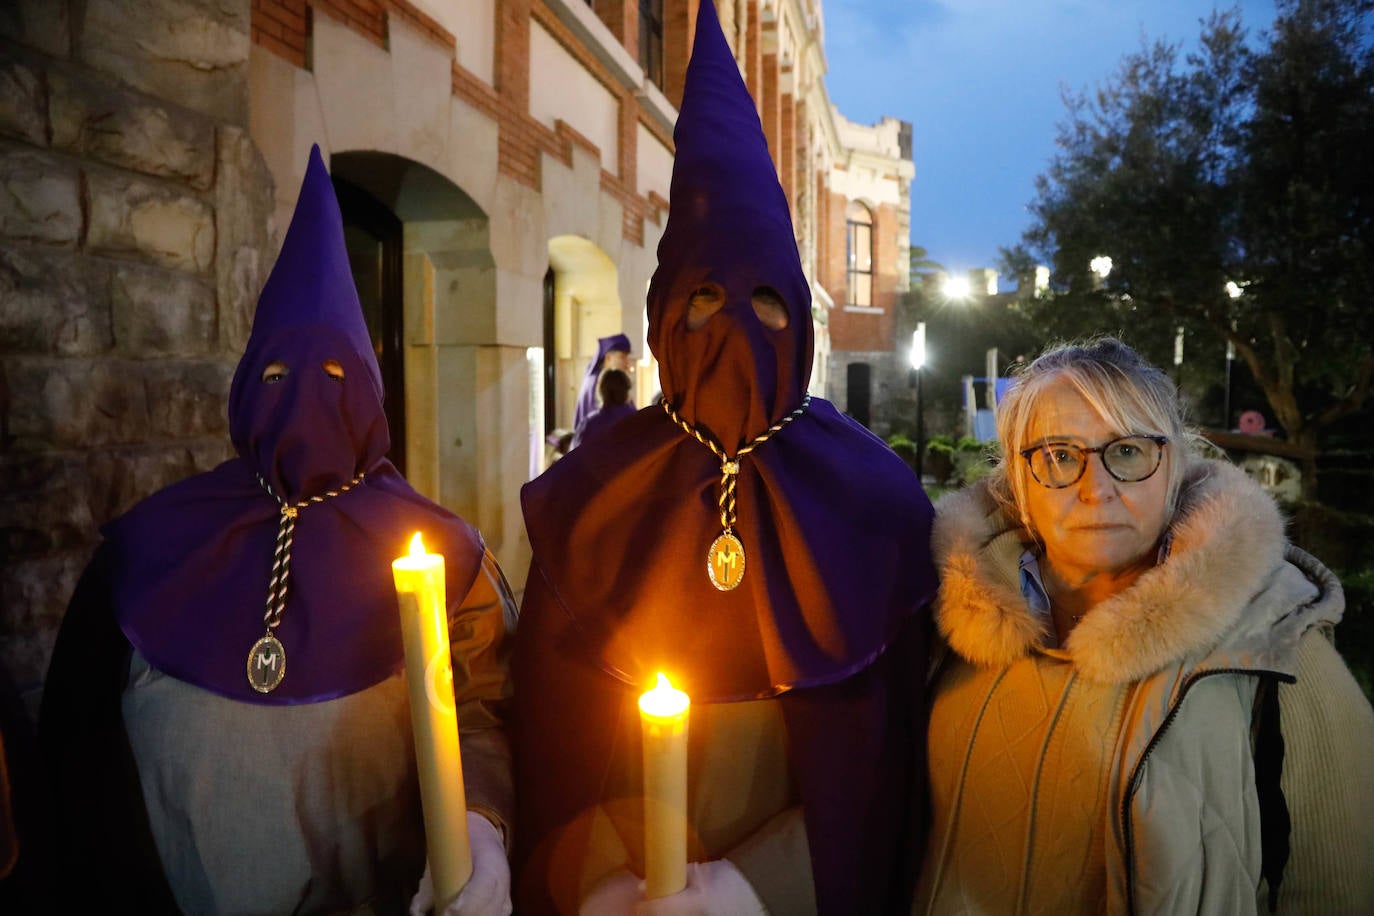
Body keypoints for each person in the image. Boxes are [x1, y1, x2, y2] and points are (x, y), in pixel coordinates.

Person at [511, 3, 937, 913]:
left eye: (767, 303)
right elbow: (552, 739)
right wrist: (600, 881)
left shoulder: (874, 501)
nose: (737, 328)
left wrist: (758, 886)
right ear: (665, 314)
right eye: (704, 297)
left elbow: (886, 756)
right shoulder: (591, 494)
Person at [40, 146, 516, 915]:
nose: (303, 403)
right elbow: (78, 742)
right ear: (242, 389)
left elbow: (487, 715)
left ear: (368, 392)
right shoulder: (152, 547)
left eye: (334, 379)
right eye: (273, 378)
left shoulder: (446, 557)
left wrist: (483, 834)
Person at [915, 337, 1374, 914]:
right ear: (1020, 482)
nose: (1095, 488)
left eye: (1128, 452)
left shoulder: (1277, 641)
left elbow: (1337, 885)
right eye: (1059, 455)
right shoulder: (943, 619)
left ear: (1173, 467)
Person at [573, 334, 634, 434]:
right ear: (608, 357)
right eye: (622, 357)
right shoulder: (597, 381)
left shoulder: (601, 379)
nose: (626, 362)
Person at [569, 367, 635, 450]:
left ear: (601, 392)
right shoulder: (639, 421)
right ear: (627, 391)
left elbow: (575, 456)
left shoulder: (589, 424)